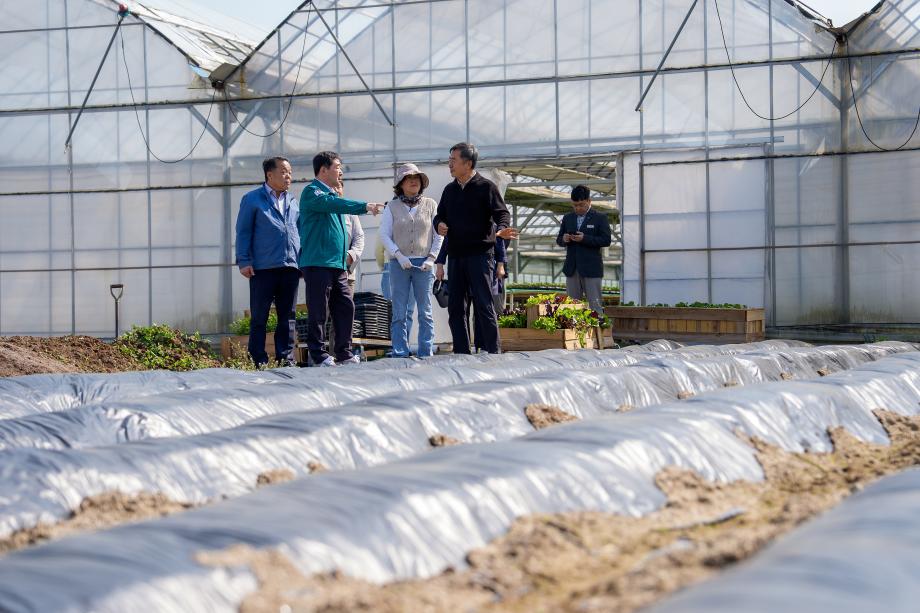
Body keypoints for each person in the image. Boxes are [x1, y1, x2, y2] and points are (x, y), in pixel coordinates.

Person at [299, 151, 383, 367]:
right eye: (337, 166)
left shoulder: (333, 197)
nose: (340, 170)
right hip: (318, 263)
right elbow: (332, 205)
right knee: (319, 311)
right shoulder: (312, 192)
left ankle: (344, 353)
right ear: (323, 169)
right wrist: (365, 206)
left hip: (338, 265)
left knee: (346, 306)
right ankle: (318, 354)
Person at [433, 143, 518, 354]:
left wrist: (502, 229)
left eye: (453, 160)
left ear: (468, 163)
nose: (449, 164)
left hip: (481, 255)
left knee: (483, 304)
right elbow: (440, 215)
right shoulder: (450, 190)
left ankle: (492, 352)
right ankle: (462, 353)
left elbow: (502, 214)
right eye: (449, 159)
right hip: (457, 255)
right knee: (455, 308)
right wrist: (439, 224)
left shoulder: (486, 187)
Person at [234, 156, 301, 367]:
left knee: (287, 316)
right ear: (269, 174)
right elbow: (243, 231)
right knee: (259, 316)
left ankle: (285, 358)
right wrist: (244, 260)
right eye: (283, 171)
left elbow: (300, 231)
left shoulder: (293, 201)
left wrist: (302, 260)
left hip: (290, 266)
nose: (288, 176)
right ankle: (258, 359)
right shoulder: (252, 199)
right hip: (263, 267)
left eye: (289, 172)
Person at [379, 163, 443, 358]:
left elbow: (438, 234)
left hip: (424, 264)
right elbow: (384, 234)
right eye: (408, 178)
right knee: (399, 311)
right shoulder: (392, 206)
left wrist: (431, 258)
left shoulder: (431, 204)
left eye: (417, 178)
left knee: (425, 310)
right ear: (401, 183)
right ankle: (400, 351)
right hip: (399, 264)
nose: (414, 181)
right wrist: (398, 255)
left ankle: (425, 351)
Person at [556, 184, 611, 314]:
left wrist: (585, 238)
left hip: (591, 269)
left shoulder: (600, 218)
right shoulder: (568, 218)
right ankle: (574, 333)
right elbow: (559, 239)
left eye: (581, 205)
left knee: (595, 306)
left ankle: (598, 332)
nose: (578, 208)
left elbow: (606, 240)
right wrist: (564, 239)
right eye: (575, 205)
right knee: (572, 307)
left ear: (589, 201)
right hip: (572, 268)